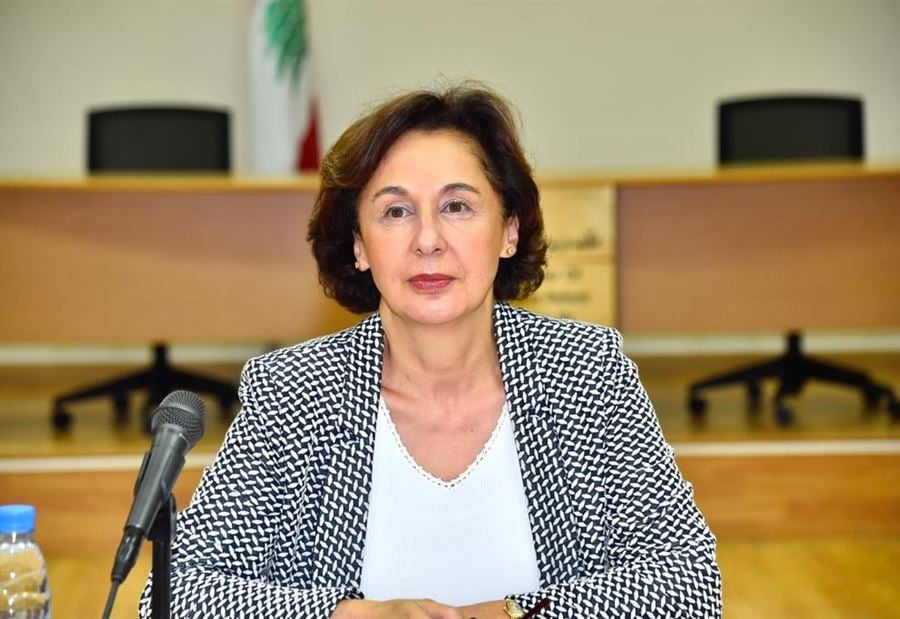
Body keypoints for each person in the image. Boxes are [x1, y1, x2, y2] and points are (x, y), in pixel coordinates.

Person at [140, 85, 722, 618]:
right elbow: (178, 596)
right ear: (360, 246)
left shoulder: (585, 370)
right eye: (396, 211)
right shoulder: (296, 390)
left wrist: (507, 614)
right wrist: (355, 616)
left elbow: (688, 584)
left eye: (457, 206)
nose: (427, 240)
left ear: (509, 230)